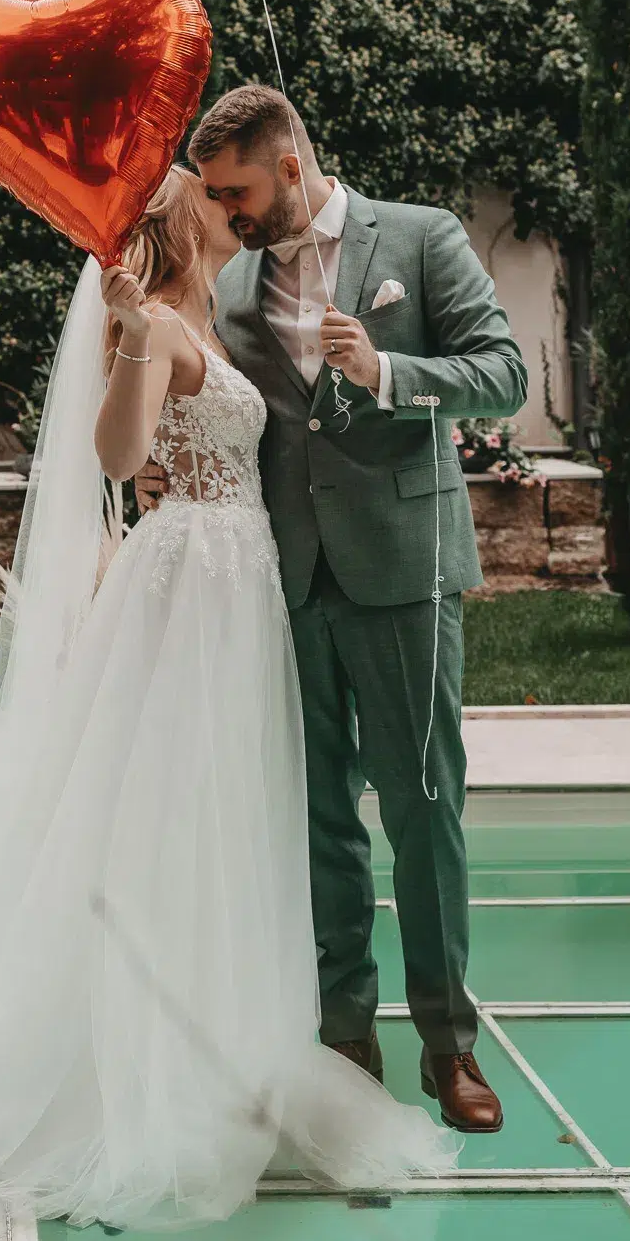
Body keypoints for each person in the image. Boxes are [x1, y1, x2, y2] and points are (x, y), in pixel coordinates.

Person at [0, 166, 457, 1230]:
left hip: (242, 584)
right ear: (183, 218)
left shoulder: (226, 316)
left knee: (228, 817)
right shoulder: (161, 323)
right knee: (158, 812)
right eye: (216, 195)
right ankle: (139, 1065)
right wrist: (128, 333)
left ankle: (222, 1040)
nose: (235, 205)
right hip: (185, 592)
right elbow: (120, 457)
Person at [166, 85, 529, 1132]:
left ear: (287, 165)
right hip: (287, 577)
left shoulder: (419, 238)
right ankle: (345, 1032)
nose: (228, 213)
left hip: (405, 566)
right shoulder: (230, 281)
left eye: (237, 189)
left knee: (423, 811)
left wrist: (389, 369)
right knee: (320, 815)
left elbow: (501, 373)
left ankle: (449, 1043)